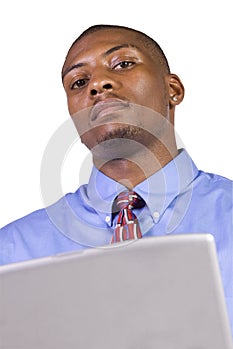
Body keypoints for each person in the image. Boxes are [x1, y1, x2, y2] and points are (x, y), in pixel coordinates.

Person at [0, 24, 232, 331]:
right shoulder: (11, 251)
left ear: (172, 90)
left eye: (123, 64)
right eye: (79, 82)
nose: (98, 84)